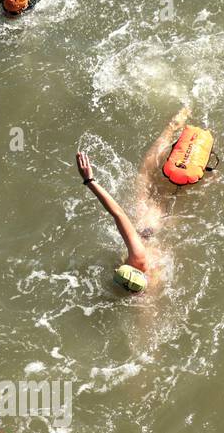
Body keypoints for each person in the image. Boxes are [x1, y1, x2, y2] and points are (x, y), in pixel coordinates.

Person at [75, 104, 196, 292]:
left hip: (161, 226)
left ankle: (176, 131)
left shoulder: (149, 283)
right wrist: (89, 180)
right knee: (145, 175)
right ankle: (172, 127)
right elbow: (117, 214)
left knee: (170, 190)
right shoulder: (137, 256)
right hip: (148, 223)